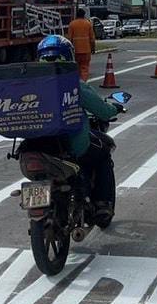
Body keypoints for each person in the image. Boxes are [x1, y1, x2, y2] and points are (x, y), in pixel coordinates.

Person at [37, 35, 119, 222]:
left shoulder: (29, 85)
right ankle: (102, 205)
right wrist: (114, 108)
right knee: (103, 153)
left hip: (35, 147)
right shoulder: (72, 84)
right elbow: (102, 111)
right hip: (70, 147)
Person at [66, 8, 96, 81]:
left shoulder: (72, 24)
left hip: (75, 51)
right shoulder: (88, 24)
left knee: (76, 67)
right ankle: (83, 82)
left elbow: (69, 39)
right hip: (86, 50)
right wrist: (93, 48)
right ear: (84, 15)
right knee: (84, 68)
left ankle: (76, 82)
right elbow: (92, 38)